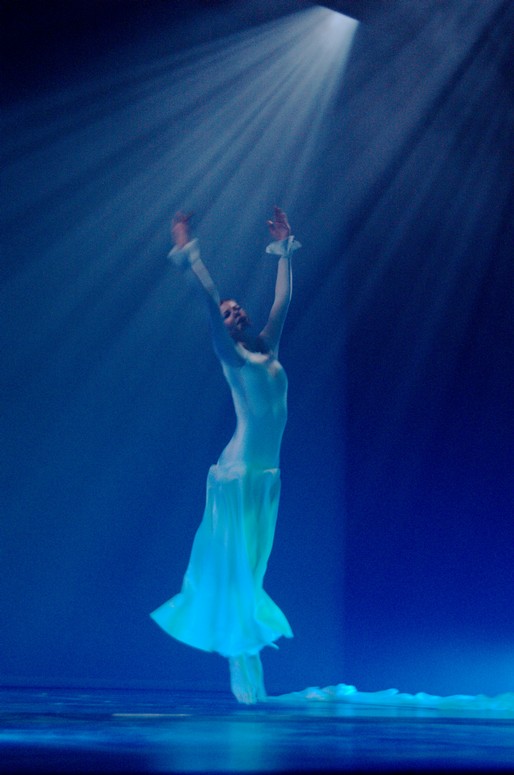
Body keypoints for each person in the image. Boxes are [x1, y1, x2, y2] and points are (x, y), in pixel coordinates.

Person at [150, 207, 301, 704]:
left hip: (265, 478)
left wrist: (283, 249)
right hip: (236, 476)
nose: (232, 313)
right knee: (238, 570)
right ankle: (240, 659)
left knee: (252, 572)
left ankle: (245, 654)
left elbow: (282, 300)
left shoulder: (267, 350)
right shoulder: (231, 356)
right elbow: (208, 297)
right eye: (226, 313)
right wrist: (188, 251)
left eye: (237, 309)